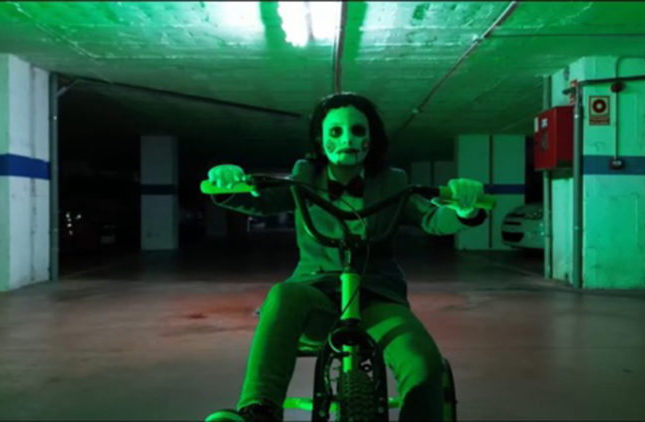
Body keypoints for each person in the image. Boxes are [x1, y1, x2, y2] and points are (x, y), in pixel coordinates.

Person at [206, 92, 487, 422]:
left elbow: (431, 217)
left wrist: (465, 209)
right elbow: (259, 200)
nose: (347, 139)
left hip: (377, 297)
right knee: (282, 296)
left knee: (422, 362)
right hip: (315, 295)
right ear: (320, 139)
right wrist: (227, 181)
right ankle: (258, 410)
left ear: (371, 138)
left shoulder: (393, 182)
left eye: (357, 130)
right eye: (336, 131)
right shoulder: (303, 178)